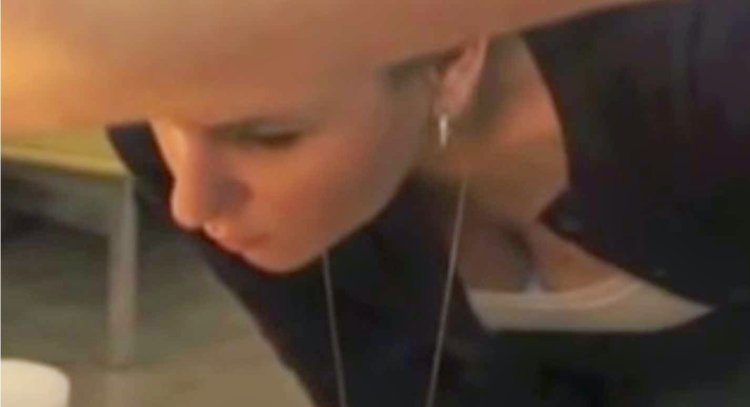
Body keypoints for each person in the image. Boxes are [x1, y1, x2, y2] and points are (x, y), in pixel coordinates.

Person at [6, 0, 750, 405]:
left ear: (454, 56)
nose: (191, 204)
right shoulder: (170, 152)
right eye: (168, 120)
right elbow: (371, 385)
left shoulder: (706, 80)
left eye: (268, 137)